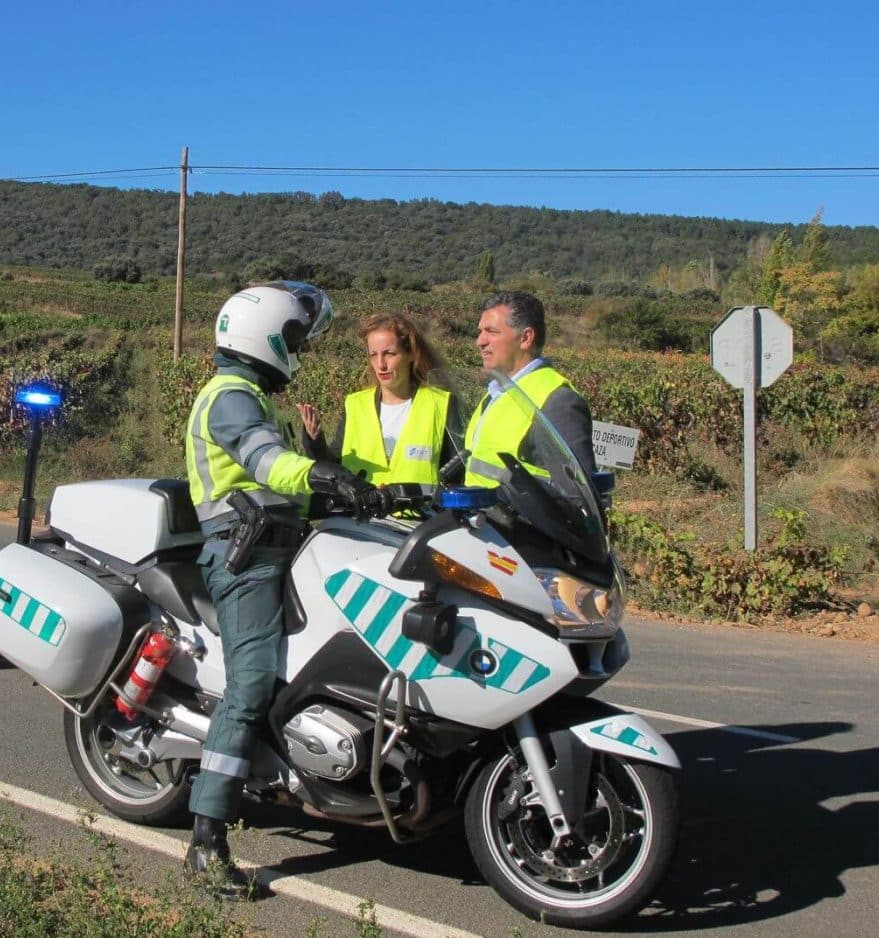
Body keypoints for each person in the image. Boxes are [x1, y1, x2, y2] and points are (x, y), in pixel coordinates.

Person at [183, 282, 384, 898]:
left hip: (280, 549)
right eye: (294, 337)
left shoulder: (253, 398)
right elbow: (266, 462)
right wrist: (322, 474)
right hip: (244, 559)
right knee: (249, 684)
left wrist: (353, 490)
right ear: (263, 337)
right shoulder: (229, 397)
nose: (299, 349)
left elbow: (283, 485)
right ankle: (206, 840)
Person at [297, 311, 459, 487]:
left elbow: (457, 475)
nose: (381, 364)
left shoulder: (441, 403)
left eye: (389, 353)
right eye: (373, 355)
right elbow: (335, 467)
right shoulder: (355, 405)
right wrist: (315, 441)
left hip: (424, 506)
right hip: (361, 505)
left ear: (411, 354)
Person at [464, 291, 595, 487]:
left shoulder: (558, 402)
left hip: (516, 510)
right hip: (479, 508)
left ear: (525, 338)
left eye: (491, 331)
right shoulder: (494, 395)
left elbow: (577, 494)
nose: (480, 341)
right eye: (480, 331)